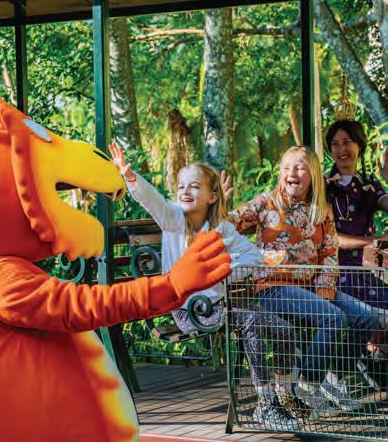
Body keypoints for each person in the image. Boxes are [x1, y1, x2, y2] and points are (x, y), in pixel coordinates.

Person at [110, 141, 301, 431]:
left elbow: (253, 257)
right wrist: (130, 176)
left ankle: (284, 394)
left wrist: (221, 270)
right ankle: (265, 404)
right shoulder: (173, 220)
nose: (185, 191)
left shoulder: (221, 229)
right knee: (251, 320)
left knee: (284, 329)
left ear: (212, 196)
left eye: (194, 186)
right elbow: (153, 201)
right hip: (190, 310)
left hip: (220, 306)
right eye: (182, 186)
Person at [229, 146, 374, 413]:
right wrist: (217, 207)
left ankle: (332, 376)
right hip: (274, 288)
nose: (291, 173)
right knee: (333, 318)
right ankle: (307, 382)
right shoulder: (266, 203)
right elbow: (229, 225)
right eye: (286, 167)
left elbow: (329, 253)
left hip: (312, 287)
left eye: (298, 167)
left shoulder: (322, 210)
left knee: (366, 318)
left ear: (313, 174)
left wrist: (324, 289)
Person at [325, 119, 388, 358]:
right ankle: (352, 363)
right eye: (335, 144)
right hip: (339, 272)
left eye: (347, 142)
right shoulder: (323, 186)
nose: (341, 149)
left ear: (359, 145)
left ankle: (372, 359)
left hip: (368, 270)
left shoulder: (369, 183)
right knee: (372, 319)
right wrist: (373, 241)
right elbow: (330, 238)